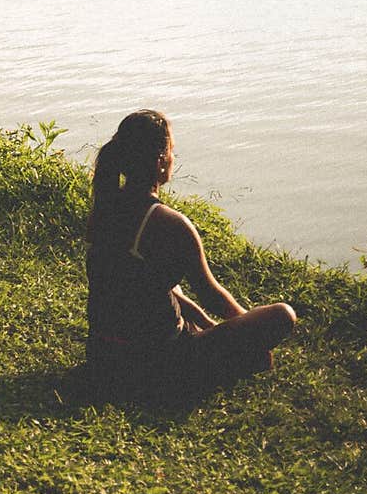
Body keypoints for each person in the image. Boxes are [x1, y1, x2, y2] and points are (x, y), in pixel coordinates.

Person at [86, 109, 296, 403]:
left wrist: (213, 329)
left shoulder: (105, 210)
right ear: (160, 161)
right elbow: (213, 297)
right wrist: (247, 331)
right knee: (282, 316)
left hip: (104, 358)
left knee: (167, 283)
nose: (174, 157)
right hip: (158, 366)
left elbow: (155, 288)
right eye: (172, 151)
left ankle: (226, 352)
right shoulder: (170, 224)